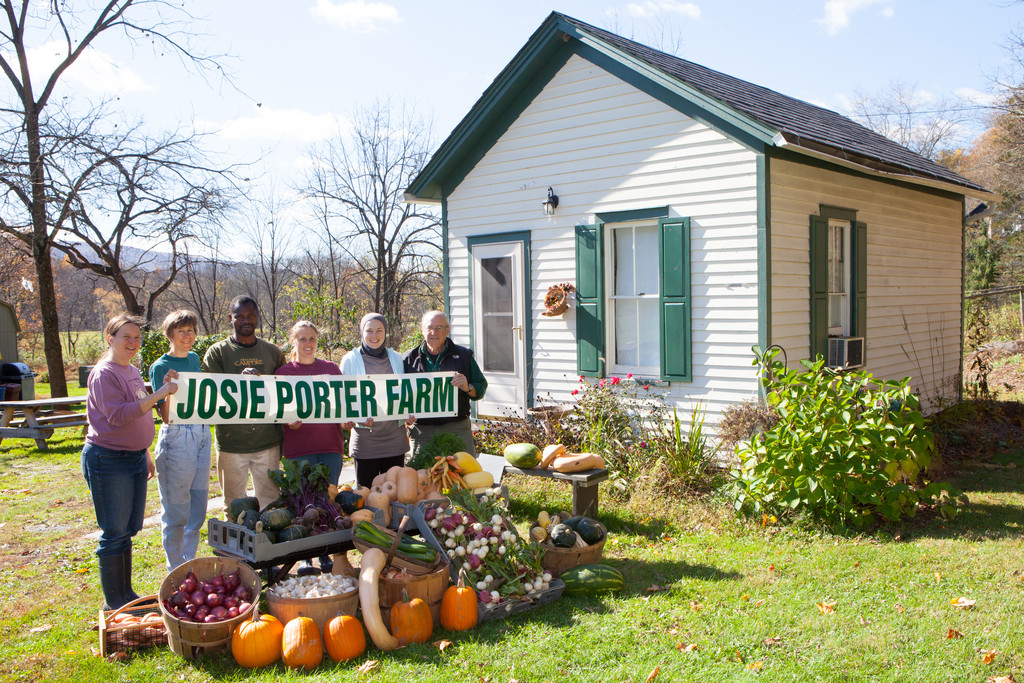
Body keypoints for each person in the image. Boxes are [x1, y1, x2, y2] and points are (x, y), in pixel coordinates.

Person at [82, 314, 178, 609]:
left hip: (134, 458)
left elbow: (138, 412)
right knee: (115, 532)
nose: (133, 343)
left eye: (137, 337)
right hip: (109, 460)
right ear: (110, 338)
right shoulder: (104, 374)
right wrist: (160, 394)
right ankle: (115, 602)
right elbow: (119, 415)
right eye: (126, 337)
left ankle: (126, 596)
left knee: (128, 529)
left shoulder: (132, 371)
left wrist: (145, 450)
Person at [277, 320, 352, 573]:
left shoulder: (331, 369)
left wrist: (347, 421)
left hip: (330, 446)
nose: (307, 344)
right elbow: (277, 411)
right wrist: (288, 421)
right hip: (300, 448)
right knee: (304, 502)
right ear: (293, 342)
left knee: (328, 500)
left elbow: (343, 404)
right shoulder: (283, 373)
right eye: (302, 339)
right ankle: (306, 556)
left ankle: (327, 554)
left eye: (312, 339)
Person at [203, 296, 286, 509]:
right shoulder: (217, 352)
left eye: (250, 315)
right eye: (240, 316)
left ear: (258, 318)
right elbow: (212, 392)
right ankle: (231, 542)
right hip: (232, 442)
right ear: (231, 318)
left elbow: (285, 391)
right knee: (233, 506)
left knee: (271, 504)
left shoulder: (272, 352)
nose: (245, 320)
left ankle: (266, 542)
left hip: (267, 441)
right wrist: (237, 381)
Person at [148, 309, 213, 572]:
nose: (187, 336)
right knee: (177, 506)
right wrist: (168, 389)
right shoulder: (161, 366)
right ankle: (175, 567)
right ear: (169, 335)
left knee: (198, 504)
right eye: (180, 331)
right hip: (177, 434)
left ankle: (189, 561)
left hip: (201, 432)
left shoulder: (196, 359)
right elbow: (165, 414)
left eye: (190, 330)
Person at [340, 313, 415, 488]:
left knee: (395, 491)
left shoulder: (396, 357)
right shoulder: (350, 360)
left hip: (395, 439)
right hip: (366, 441)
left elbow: (404, 392)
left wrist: (409, 412)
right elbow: (343, 397)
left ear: (385, 332)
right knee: (366, 494)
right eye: (369, 331)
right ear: (362, 332)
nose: (374, 336)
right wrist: (351, 418)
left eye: (379, 330)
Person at [404, 310, 487, 456]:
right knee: (422, 475)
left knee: (465, 474)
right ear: (423, 331)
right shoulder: (408, 359)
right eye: (429, 328)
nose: (433, 332)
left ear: (447, 330)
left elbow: (480, 387)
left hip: (457, 428)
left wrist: (468, 387)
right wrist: (405, 412)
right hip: (422, 430)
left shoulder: (463, 356)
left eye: (439, 328)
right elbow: (399, 393)